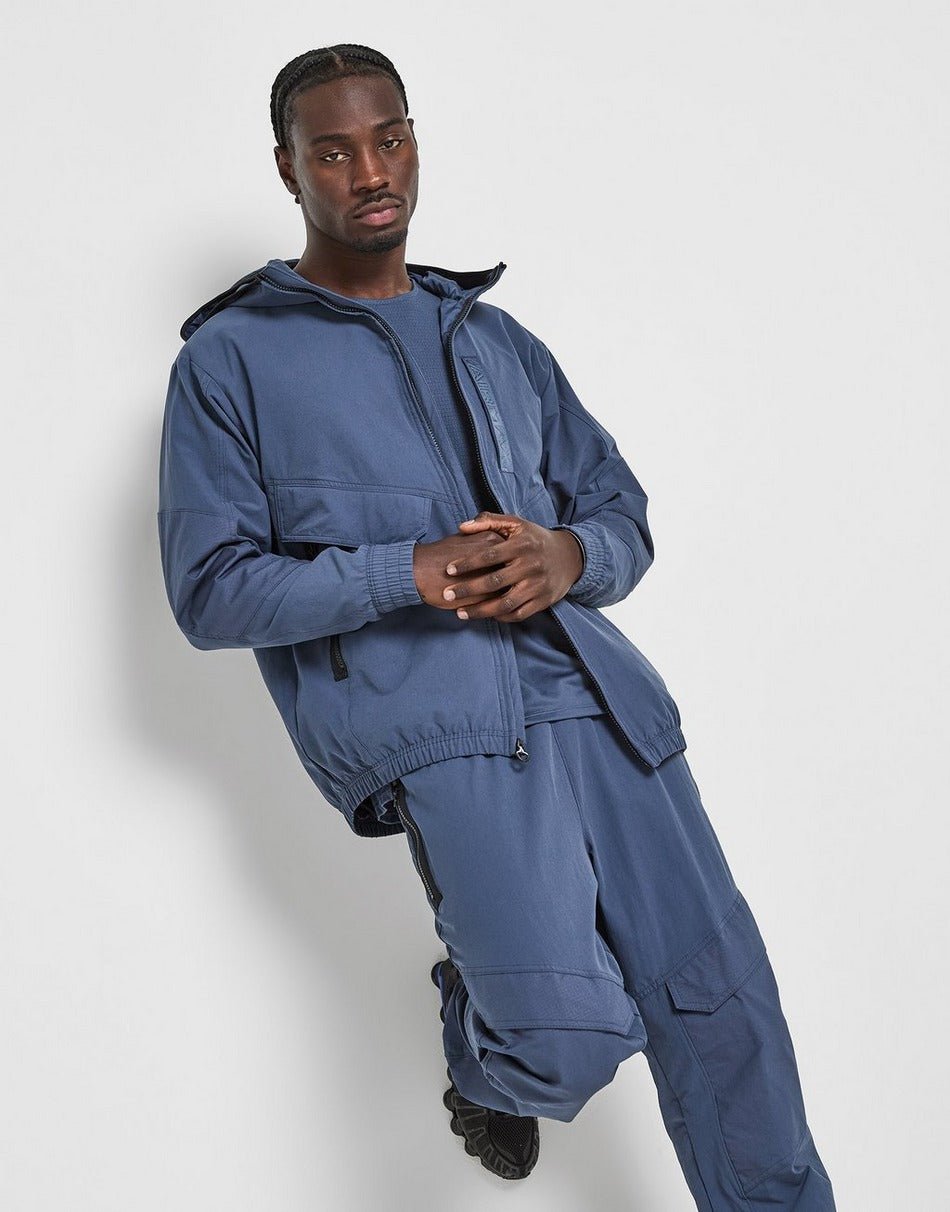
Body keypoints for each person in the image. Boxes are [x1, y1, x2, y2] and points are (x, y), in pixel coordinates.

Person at [157, 42, 837, 1209]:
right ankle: (483, 1048)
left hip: (609, 715)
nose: (372, 171)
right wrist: (404, 571)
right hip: (447, 736)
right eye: (334, 151)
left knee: (727, 1024)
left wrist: (569, 556)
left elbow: (615, 512)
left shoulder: (494, 338)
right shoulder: (231, 361)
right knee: (565, 1036)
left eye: (389, 139)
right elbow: (210, 590)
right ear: (287, 168)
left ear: (414, 141)